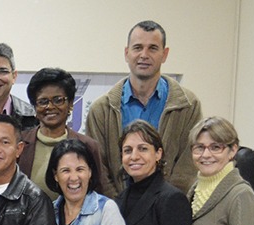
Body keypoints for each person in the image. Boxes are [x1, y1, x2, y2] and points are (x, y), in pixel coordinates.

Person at [86, 20, 203, 198]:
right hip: (115, 209)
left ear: (164, 54)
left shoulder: (188, 106)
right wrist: (118, 206)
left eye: (153, 48)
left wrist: (162, 204)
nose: (144, 55)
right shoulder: (101, 110)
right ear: (126, 53)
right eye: (138, 47)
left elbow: (187, 168)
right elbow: (99, 169)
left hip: (168, 208)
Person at [19, 67, 107, 200]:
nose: (50, 106)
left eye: (58, 100)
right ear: (35, 107)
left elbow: (97, 193)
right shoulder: (19, 143)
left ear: (70, 104)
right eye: (43, 102)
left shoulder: (88, 146)